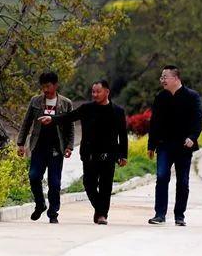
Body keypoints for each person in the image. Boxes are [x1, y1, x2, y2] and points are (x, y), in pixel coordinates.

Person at [38, 79, 128, 225]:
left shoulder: (117, 111)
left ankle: (102, 215)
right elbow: (69, 117)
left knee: (106, 187)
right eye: (93, 91)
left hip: (109, 155)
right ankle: (100, 209)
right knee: (89, 184)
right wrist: (52, 119)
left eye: (98, 91)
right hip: (90, 155)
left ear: (107, 92)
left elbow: (123, 135)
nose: (95, 94)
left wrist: (123, 154)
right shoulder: (87, 108)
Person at [147, 65, 202, 227]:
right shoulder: (160, 97)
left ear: (176, 78)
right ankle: (159, 214)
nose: (162, 80)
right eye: (161, 77)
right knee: (162, 177)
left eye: (165, 77)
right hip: (164, 145)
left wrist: (193, 137)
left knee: (183, 181)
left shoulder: (192, 96)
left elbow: (198, 119)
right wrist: (151, 145)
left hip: (184, 146)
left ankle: (180, 215)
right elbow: (154, 122)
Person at [16, 71, 74, 223]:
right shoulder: (35, 101)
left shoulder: (65, 103)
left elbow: (70, 126)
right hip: (38, 146)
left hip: (57, 148)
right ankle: (40, 203)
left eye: (48, 86)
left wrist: (69, 146)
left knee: (54, 182)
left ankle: (53, 213)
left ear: (56, 85)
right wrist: (20, 143)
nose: (45, 90)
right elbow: (26, 122)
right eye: (43, 86)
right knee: (34, 176)